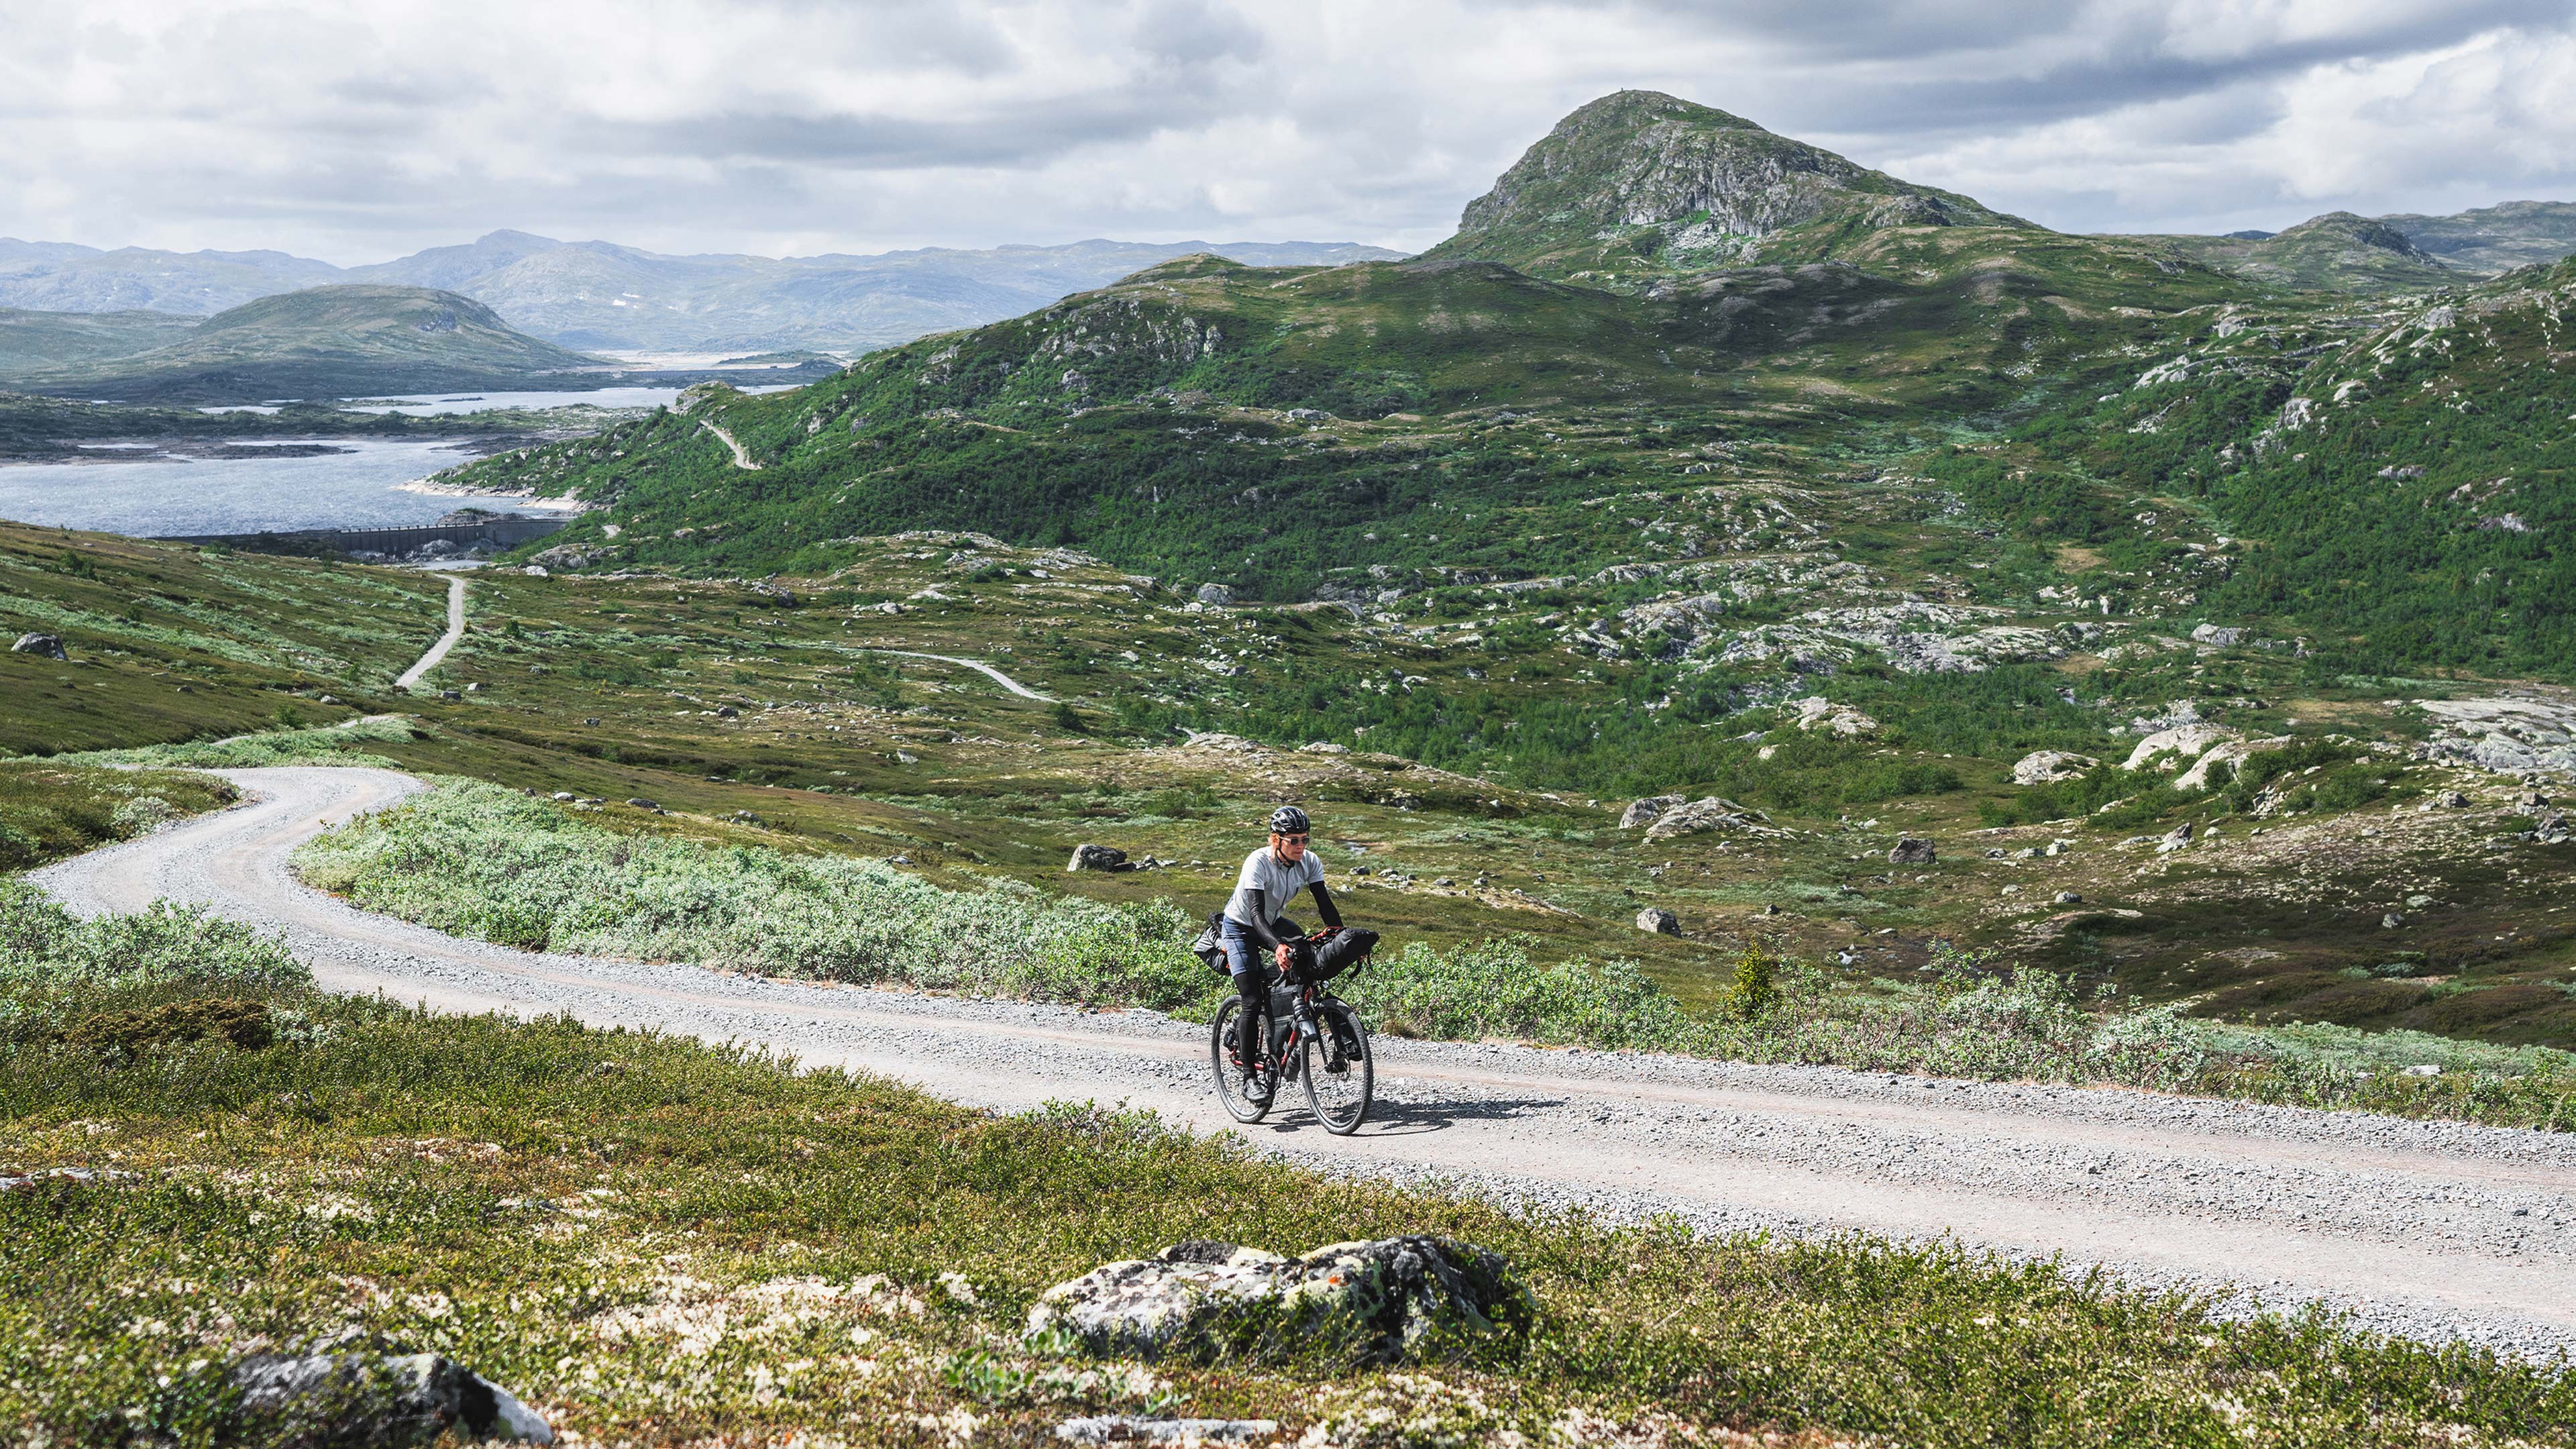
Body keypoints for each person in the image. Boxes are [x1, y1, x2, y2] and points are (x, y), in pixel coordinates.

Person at [1220, 804, 1342, 1075]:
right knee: (1251, 998)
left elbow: (1324, 904)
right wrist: (1277, 946)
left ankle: (1288, 1035)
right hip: (1241, 926)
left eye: (1305, 839)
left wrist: (1341, 936)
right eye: (1294, 840)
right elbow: (1254, 913)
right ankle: (1250, 1076)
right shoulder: (1258, 862)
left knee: (1305, 956)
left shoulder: (1309, 862)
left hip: (1272, 922)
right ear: (1277, 840)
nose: (1301, 846)